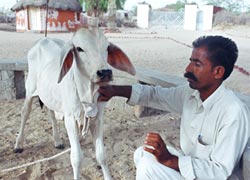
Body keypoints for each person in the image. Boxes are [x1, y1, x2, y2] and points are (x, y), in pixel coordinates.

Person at [98, 35, 250, 179]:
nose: (187, 69)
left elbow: (220, 171)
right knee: (143, 153)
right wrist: (115, 91)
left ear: (218, 72)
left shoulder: (233, 112)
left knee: (148, 168)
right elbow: (155, 95)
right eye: (190, 61)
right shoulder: (190, 93)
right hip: (192, 168)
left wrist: (171, 160)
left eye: (197, 64)